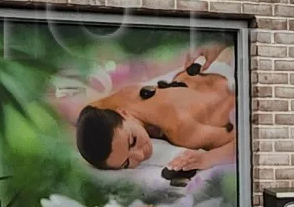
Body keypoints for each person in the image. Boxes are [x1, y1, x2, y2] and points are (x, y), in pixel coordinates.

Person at [74, 49, 237, 183]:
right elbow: (89, 114)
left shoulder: (183, 130)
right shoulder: (126, 96)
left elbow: (245, 142)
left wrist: (206, 159)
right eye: (127, 163)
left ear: (123, 113)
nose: (140, 156)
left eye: (133, 141)